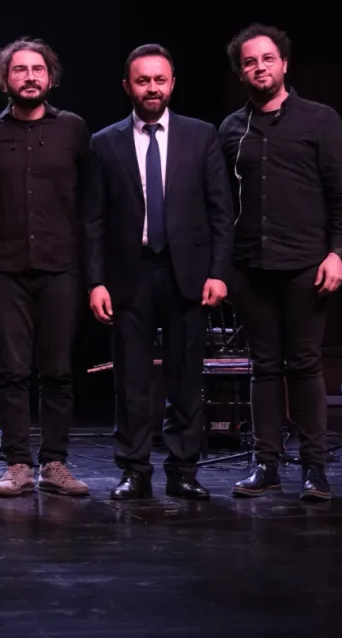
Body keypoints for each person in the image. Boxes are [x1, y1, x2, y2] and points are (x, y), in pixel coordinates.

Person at [83, 43, 235, 501]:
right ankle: (134, 469)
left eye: (159, 79)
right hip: (128, 274)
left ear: (172, 84)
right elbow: (93, 219)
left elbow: (220, 210)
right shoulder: (104, 142)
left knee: (186, 377)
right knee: (131, 379)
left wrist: (218, 272)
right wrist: (96, 280)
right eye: (143, 80)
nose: (152, 87)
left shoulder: (201, 135)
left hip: (187, 273)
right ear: (127, 86)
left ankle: (183, 469)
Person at [218, 25, 342, 502]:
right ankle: (266, 465)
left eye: (268, 58)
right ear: (241, 72)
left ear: (284, 64)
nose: (260, 67)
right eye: (250, 61)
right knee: (262, 367)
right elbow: (220, 203)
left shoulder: (320, 120)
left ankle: (315, 469)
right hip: (249, 267)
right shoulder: (231, 128)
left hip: (306, 265)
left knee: (304, 364)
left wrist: (337, 253)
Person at [0, 38, 92, 498]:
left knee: (58, 371)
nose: (29, 77)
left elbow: (92, 198)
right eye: (19, 70)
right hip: (4, 267)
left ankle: (54, 462)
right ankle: (17, 464)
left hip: (61, 266)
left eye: (37, 69)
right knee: (11, 370)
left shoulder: (72, 129)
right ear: (4, 78)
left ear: (50, 77)